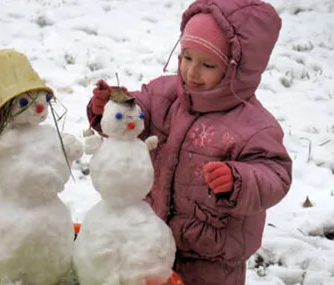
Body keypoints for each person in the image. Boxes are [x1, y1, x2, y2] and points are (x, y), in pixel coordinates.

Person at [87, 0, 292, 284]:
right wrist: (111, 108)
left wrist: (238, 181)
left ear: (236, 69)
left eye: (207, 64)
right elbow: (137, 112)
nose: (192, 72)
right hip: (152, 237)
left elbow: (275, 174)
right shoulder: (165, 94)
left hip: (210, 258)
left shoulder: (253, 126)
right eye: (186, 57)